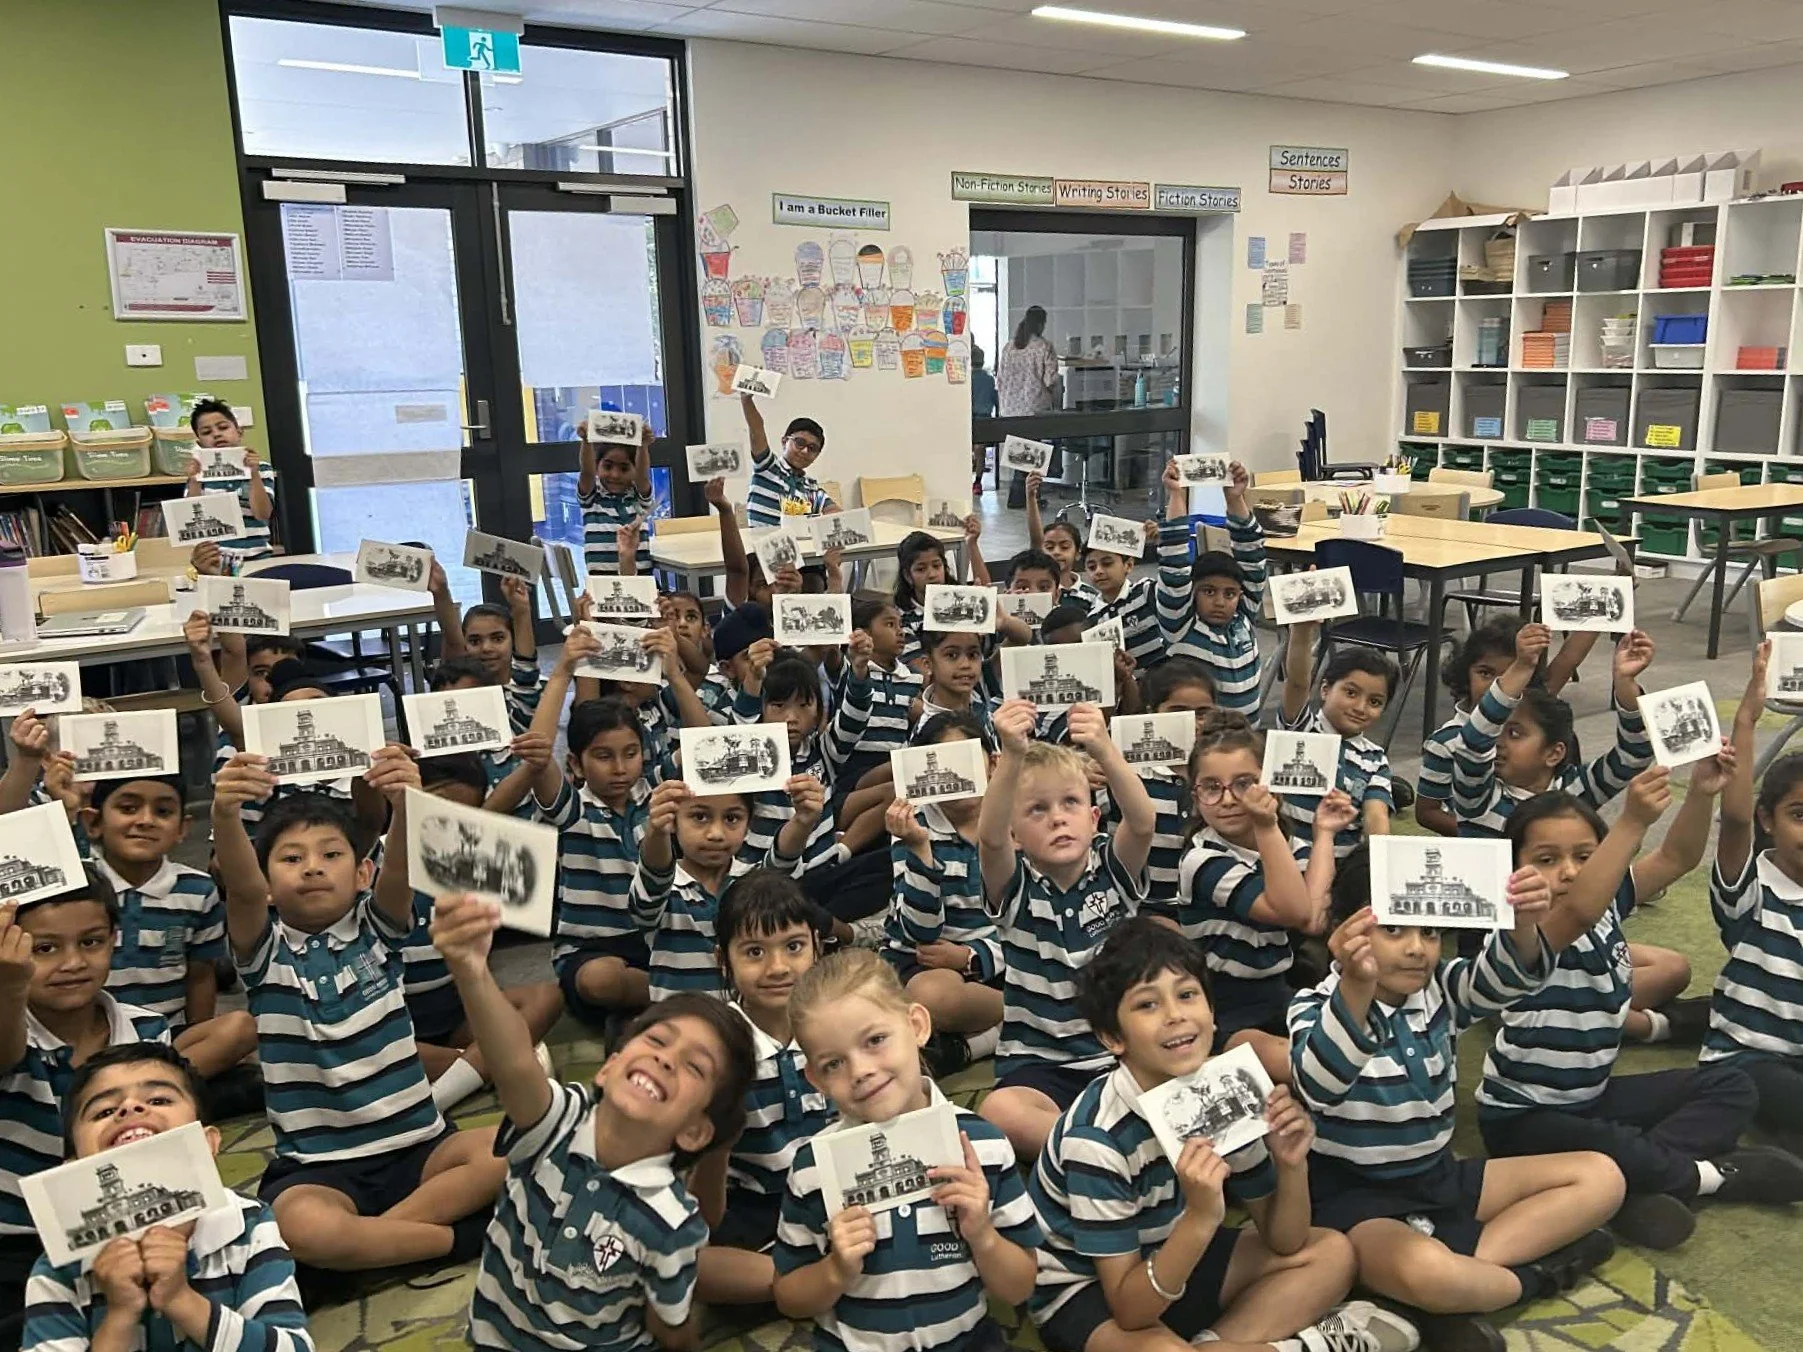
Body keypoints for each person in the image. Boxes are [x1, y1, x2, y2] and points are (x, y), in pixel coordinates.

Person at [1029, 919, 1417, 1352]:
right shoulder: (1096, 1140)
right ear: (1112, 1037)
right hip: (1089, 1290)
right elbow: (1130, 1310)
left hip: (1175, 1252)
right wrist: (1200, 1218)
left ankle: (1214, 1345)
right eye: (1147, 1005)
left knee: (1332, 1252)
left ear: (1212, 1013)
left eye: (1187, 994)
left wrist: (1291, 1164)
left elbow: (1285, 1240)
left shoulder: (1225, 1088)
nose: (1175, 1015)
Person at [1290, 862, 1624, 1351]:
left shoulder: (1439, 990)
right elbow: (1320, 1083)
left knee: (1602, 1176)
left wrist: (1522, 923)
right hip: (1357, 1201)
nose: (1416, 947)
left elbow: (1501, 980)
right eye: (1393, 929)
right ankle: (1536, 1276)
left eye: (1429, 931)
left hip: (1438, 1177)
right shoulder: (1311, 1006)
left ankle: (1445, 1294)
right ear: (1345, 931)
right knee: (1428, 1273)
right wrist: (1356, 986)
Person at [1483, 763, 1803, 1251]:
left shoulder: (1606, 907)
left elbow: (1677, 856)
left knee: (1731, 1085)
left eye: (1585, 856)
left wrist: (1700, 793)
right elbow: (1577, 911)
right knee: (1614, 1144)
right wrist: (1632, 821)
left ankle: (1638, 1185)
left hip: (1591, 1095)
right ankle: (1709, 1177)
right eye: (1546, 859)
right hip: (1525, 1117)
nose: (1569, 871)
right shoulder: (1519, 931)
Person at [212, 754, 506, 1275]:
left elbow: (402, 869)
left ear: (363, 872)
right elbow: (241, 889)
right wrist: (225, 813)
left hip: (419, 1147)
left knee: (508, 1149)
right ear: (267, 883)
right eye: (291, 858)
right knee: (301, 1226)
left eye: (331, 854)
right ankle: (450, 1240)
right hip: (320, 1169)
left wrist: (405, 803)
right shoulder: (264, 955)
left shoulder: (377, 931)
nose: (312, 866)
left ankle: (374, 1242)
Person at [429, 894, 753, 1352]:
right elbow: (516, 1062)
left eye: (695, 1067)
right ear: (609, 1066)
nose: (665, 1059)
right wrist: (471, 971)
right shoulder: (559, 1120)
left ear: (695, 1131)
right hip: (494, 1339)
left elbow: (669, 1325)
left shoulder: (672, 1221)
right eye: (657, 1040)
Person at [773, 951, 1043, 1352]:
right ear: (815, 1078)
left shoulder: (983, 1146)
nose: (860, 1070)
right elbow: (789, 1297)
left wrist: (982, 1235)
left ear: (916, 1025)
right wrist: (835, 1269)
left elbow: (1020, 1286)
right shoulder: (813, 1169)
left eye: (875, 1040)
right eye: (833, 1064)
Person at [23, 1043, 314, 1352]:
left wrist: (181, 1300)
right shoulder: (58, 1267)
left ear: (207, 1143)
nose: (129, 1107)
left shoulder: (247, 1225)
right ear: (72, 1167)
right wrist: (119, 1318)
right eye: (104, 1111)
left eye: (158, 1099)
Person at [977, 699, 1155, 1160]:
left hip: (1121, 1053)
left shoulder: (1113, 871)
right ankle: (1107, 1151)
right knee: (999, 1111)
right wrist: (1012, 754)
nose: (1057, 817)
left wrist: (1104, 748)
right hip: (1040, 1067)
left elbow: (1142, 822)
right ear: (1016, 835)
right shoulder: (1015, 888)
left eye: (1071, 803)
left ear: (1094, 820)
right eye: (1037, 810)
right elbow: (990, 839)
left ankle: (1096, 1145)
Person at [0, 869, 171, 1344]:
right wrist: (8, 988)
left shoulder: (148, 1030)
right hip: (17, 1241)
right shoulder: (11, 1031)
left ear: (115, 939)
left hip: (125, 1227)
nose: (73, 963)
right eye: (45, 948)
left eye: (91, 942)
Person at [691, 874, 834, 1304]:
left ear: (817, 946)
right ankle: (823, 1279)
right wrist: (718, 1139)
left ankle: (818, 1278)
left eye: (794, 946)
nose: (777, 968)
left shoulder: (837, 1029)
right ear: (723, 959)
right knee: (688, 1264)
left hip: (839, 1191)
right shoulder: (714, 1051)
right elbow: (703, 1212)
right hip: (756, 1209)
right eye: (754, 952)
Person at [401, 754, 564, 1113]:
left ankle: (465, 1074)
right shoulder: (388, 866)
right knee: (373, 1049)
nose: (449, 824)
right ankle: (487, 1067)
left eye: (465, 815)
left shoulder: (474, 861)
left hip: (455, 1015)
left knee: (546, 996)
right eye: (438, 807)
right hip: (399, 1027)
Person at [84, 775, 259, 1080]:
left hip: (164, 1038)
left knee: (241, 1028)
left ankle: (133, 1083)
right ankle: (157, 1083)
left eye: (163, 812)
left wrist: (197, 1031)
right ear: (94, 823)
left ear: (182, 828)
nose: (145, 821)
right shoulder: (78, 887)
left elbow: (200, 975)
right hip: (93, 1037)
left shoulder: (198, 890)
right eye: (128, 809)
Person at [1701, 641, 1803, 1159]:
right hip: (1746, 1059)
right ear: (1769, 819)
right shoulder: (1752, 888)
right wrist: (1746, 718)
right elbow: (1736, 818)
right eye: (1799, 815)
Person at [1451, 622, 1654, 838]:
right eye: (1495, 731)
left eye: (1514, 734)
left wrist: (1624, 682)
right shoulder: (1478, 798)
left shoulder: (1575, 790)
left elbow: (1636, 754)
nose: (1497, 742)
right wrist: (1521, 667)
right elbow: (1473, 743)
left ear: (1554, 753)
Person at [884, 713, 1005, 1067]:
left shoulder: (1014, 818)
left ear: (993, 764)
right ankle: (1036, 1015)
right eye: (942, 761)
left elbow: (1035, 916)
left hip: (1002, 954)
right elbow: (920, 932)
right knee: (929, 997)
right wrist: (920, 849)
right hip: (928, 963)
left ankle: (974, 1044)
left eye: (965, 759)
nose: (955, 775)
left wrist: (972, 957)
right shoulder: (914, 824)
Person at [1415, 617, 1597, 838]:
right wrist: (1492, 835)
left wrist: (1605, 607)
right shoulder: (1445, 742)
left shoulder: (1534, 711)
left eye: (1512, 673)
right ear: (1465, 672)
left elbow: (1569, 658)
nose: (1496, 685)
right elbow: (1427, 812)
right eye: (1485, 673)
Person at [1153, 461, 1267, 715]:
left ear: (1240, 594)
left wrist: (1235, 498)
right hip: (1202, 735)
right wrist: (1176, 494)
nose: (1220, 602)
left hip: (1244, 734)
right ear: (1192, 591)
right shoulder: (1181, 626)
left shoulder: (1243, 616)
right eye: (1208, 591)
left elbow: (1252, 551)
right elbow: (1174, 562)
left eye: (1230, 594)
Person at [1276, 632, 1397, 860]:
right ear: (1325, 689)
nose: (1360, 707)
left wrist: (1380, 861)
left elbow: (1376, 817)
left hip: (1342, 869)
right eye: (1351, 693)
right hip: (1287, 863)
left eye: (1374, 702)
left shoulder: (1375, 758)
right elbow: (1297, 683)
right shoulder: (1301, 730)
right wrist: (1302, 632)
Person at [184, 400, 274, 574]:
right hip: (215, 562)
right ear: (199, 443)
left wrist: (254, 474)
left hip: (257, 557)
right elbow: (191, 517)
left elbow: (263, 514)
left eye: (223, 427)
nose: (216, 434)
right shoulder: (198, 473)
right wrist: (194, 480)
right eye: (207, 432)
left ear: (239, 432)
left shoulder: (261, 468)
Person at [742, 393, 839, 528]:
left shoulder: (811, 488)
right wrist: (746, 401)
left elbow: (835, 512)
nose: (805, 451)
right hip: (761, 540)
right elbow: (756, 429)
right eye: (800, 442)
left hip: (796, 541)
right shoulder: (768, 467)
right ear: (784, 441)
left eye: (812, 448)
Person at [999, 306, 1060, 508]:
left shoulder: (1009, 347)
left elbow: (1000, 380)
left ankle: (1018, 496)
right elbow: (1050, 379)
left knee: (1020, 452)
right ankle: (1028, 497)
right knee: (1033, 455)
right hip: (1034, 407)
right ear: (1041, 324)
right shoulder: (1044, 347)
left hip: (1010, 409)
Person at [576, 419, 654, 576]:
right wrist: (586, 441)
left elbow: (642, 474)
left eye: (624, 469)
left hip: (640, 581)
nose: (615, 475)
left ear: (634, 470)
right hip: (601, 583)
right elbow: (587, 472)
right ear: (596, 466)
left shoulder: (639, 498)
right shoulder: (592, 498)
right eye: (607, 466)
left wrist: (643, 446)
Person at [971, 342, 998, 494]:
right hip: (984, 419)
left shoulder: (967, 379)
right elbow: (995, 399)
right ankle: (978, 483)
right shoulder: (989, 379)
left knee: (966, 451)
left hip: (969, 419)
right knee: (980, 453)